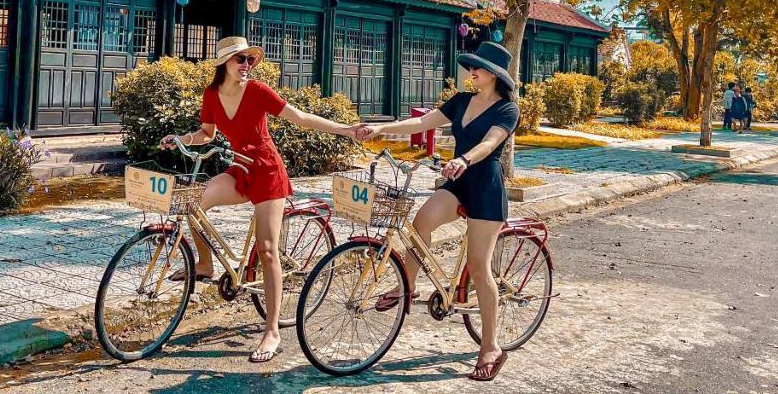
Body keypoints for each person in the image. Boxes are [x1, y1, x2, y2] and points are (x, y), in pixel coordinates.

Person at [160, 36, 360, 364]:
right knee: (193, 202)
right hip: (240, 168)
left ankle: (272, 330)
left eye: (249, 60)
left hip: (267, 171)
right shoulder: (212, 94)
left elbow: (301, 118)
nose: (245, 65)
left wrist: (347, 130)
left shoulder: (258, 91)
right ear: (223, 64)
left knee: (268, 251)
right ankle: (205, 264)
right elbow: (206, 134)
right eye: (239, 59)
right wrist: (181, 139)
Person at [354, 41, 521, 382]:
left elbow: (491, 143)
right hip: (457, 182)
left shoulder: (507, 110)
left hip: (485, 186)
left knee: (478, 266)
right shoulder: (461, 101)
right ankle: (408, 286)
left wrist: (464, 158)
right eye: (471, 65)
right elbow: (422, 123)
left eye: (479, 67)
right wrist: (381, 128)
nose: (472, 71)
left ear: (495, 74)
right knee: (421, 222)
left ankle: (490, 345)